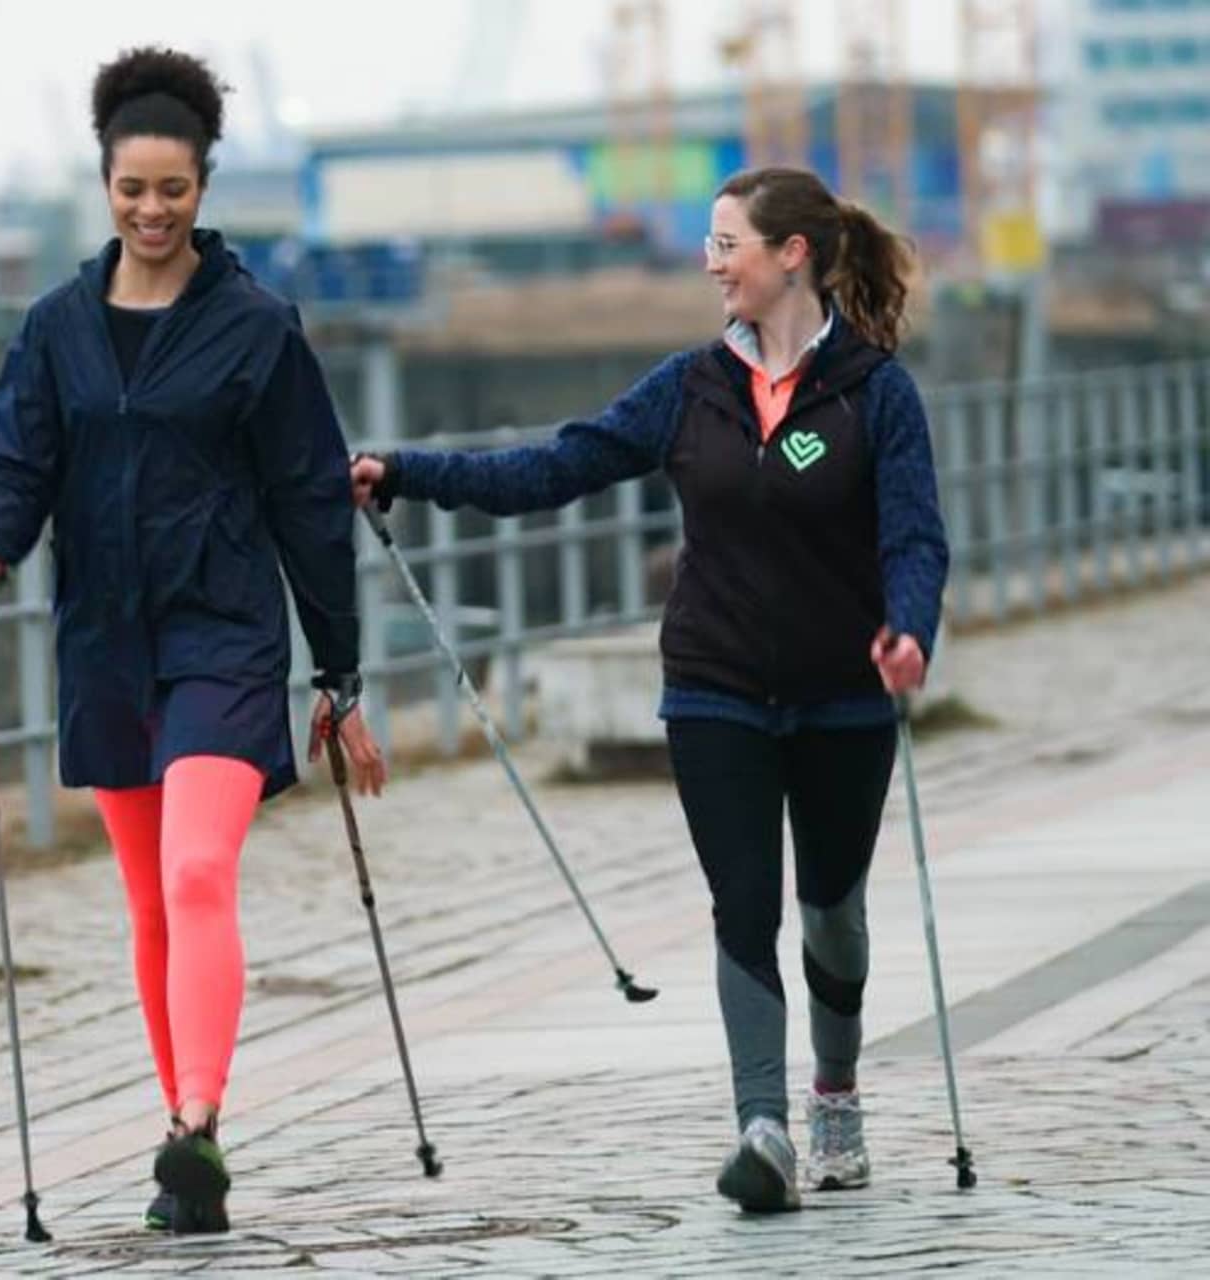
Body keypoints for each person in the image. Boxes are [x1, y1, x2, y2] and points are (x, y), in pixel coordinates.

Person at [352, 166, 949, 1213]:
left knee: (830, 912)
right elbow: (552, 468)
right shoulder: (689, 388)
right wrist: (405, 471)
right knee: (743, 905)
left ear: (791, 255)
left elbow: (914, 537)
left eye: (726, 244)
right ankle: (761, 1128)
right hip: (715, 686)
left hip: (841, 696)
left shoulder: (874, 393)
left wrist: (908, 629)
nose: (710, 264)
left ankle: (835, 1094)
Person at [0, 45, 385, 1236]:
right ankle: (185, 1149)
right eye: (131, 189)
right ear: (103, 183)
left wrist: (337, 670)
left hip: (223, 633)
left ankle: (195, 1119)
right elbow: (16, 464)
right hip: (104, 641)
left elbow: (307, 500)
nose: (151, 210)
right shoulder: (55, 328)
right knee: (147, 899)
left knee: (196, 870)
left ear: (203, 186)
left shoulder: (255, 328)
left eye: (172, 189)